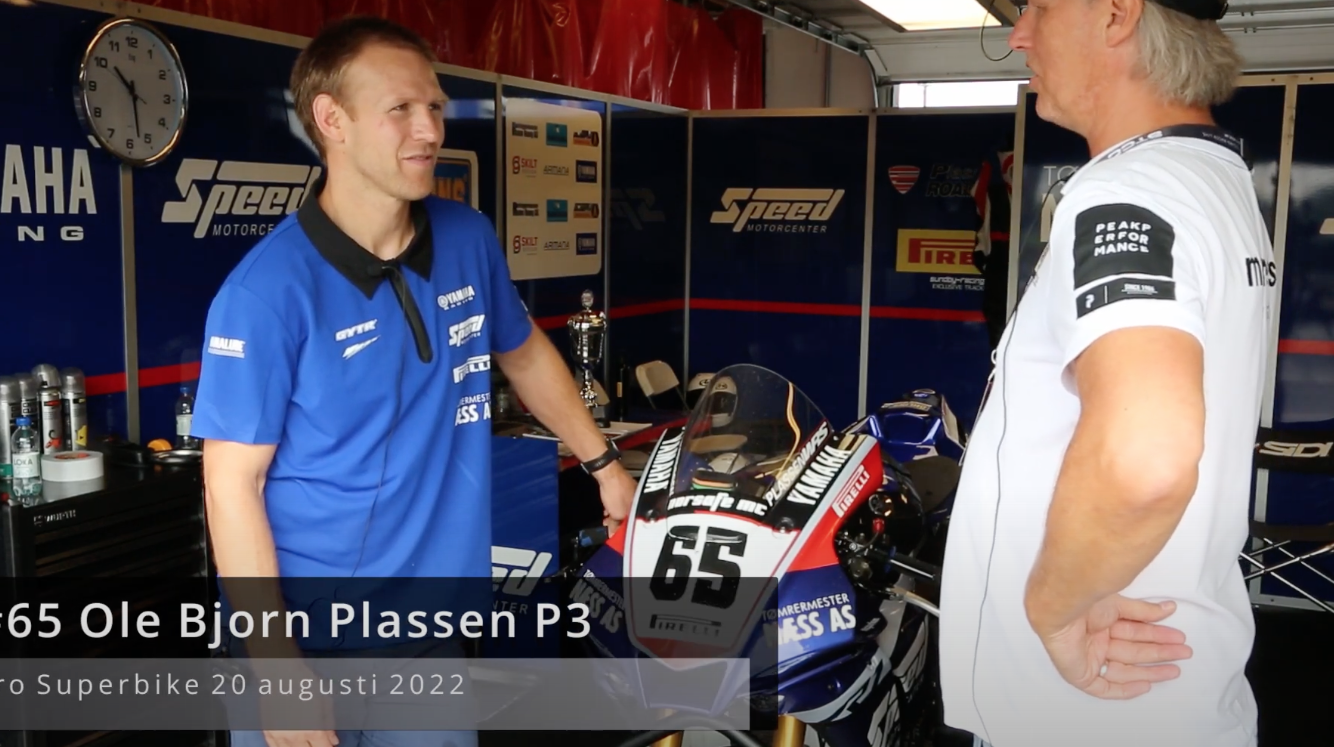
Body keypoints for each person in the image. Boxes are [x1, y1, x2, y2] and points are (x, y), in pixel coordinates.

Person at [190, 15, 638, 747]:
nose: (429, 129)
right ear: (331, 120)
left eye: (433, 105)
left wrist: (604, 465)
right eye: (399, 108)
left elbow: (523, 351)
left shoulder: (467, 237)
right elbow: (230, 485)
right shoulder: (266, 292)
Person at [938, 1, 1274, 746]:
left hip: (1087, 705)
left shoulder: (1129, 190)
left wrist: (1053, 610)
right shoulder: (1209, 176)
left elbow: (1145, 455)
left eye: (1040, 8)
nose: (1018, 36)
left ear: (1117, 14)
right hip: (1158, 694)